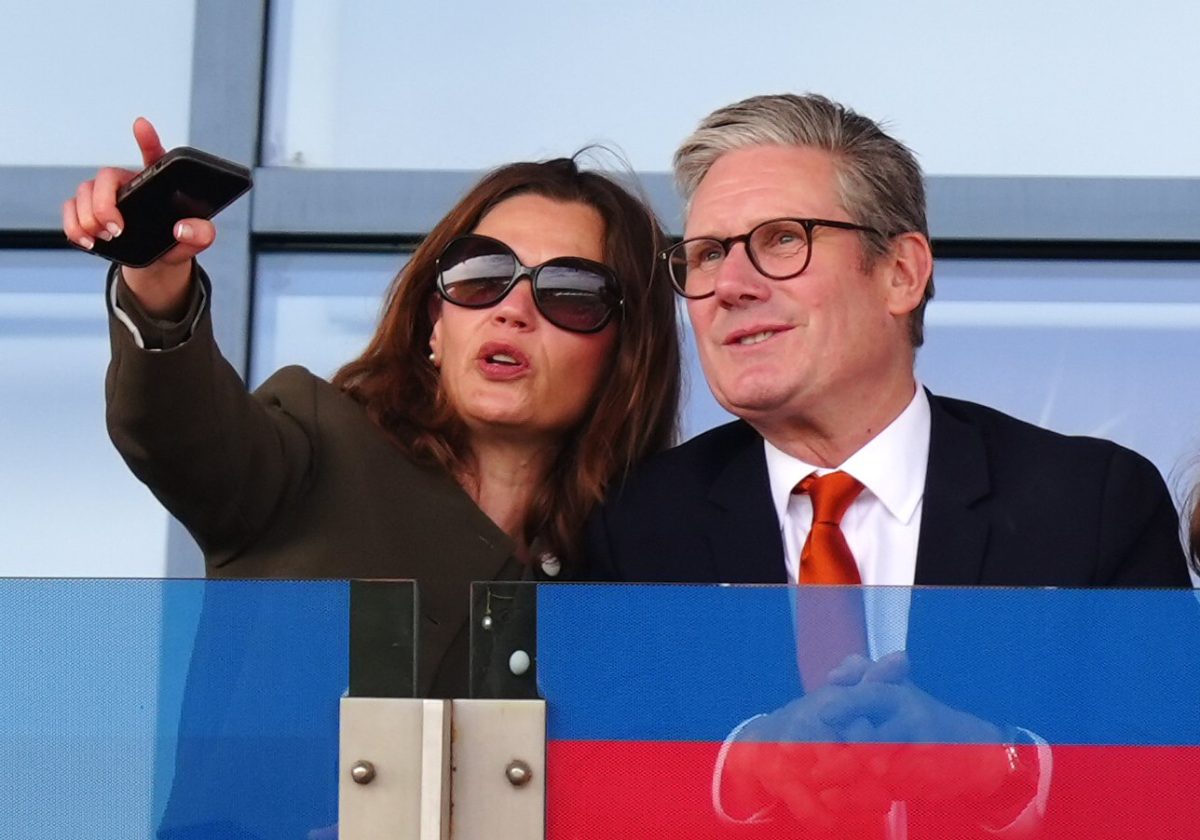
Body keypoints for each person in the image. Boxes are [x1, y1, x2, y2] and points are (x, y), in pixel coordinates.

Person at [584, 93, 1193, 837]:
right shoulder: (635, 524)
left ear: (901, 272)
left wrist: (998, 771)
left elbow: (1168, 794)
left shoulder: (1091, 502)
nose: (730, 286)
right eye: (708, 254)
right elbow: (588, 797)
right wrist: (747, 767)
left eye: (781, 239)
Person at [64, 117, 681, 699]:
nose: (511, 309)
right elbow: (175, 429)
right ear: (435, 323)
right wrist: (155, 277)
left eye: (570, 292)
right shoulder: (317, 442)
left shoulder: (632, 564)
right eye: (480, 274)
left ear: (625, 353)